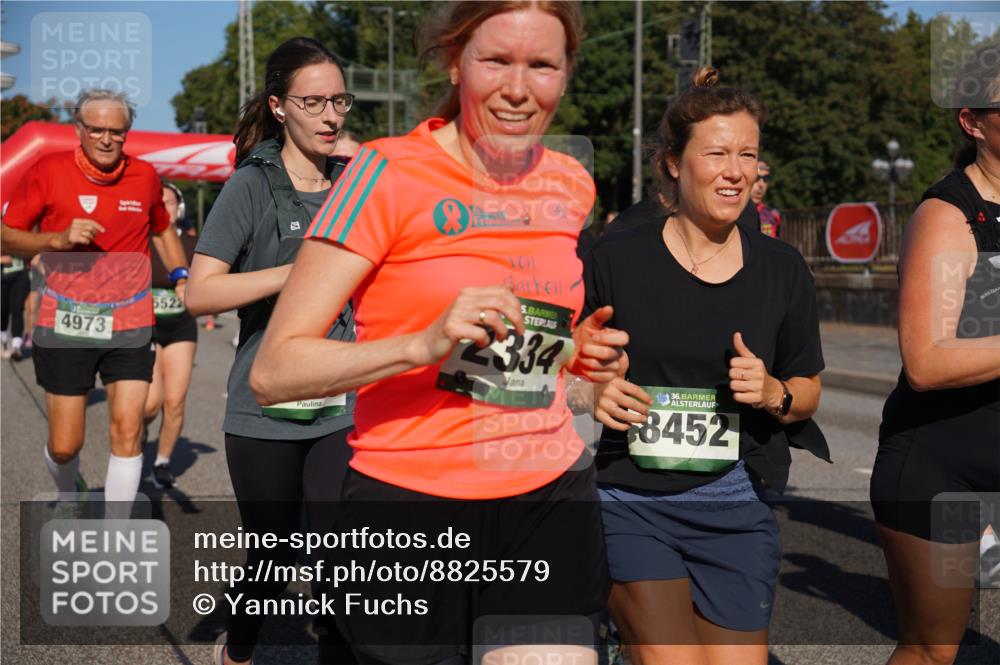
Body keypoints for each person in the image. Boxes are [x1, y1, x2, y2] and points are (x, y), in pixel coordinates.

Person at [250, 3, 627, 664]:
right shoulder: (384, 173)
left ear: (565, 74)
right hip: (410, 503)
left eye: (542, 64)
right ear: (455, 60)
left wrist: (576, 358)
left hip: (546, 491)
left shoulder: (570, 184)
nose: (518, 88)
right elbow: (274, 371)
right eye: (496, 61)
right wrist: (420, 345)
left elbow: (528, 352)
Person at [584, 67, 824, 665]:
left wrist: (772, 391)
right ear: (673, 162)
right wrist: (593, 389)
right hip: (632, 497)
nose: (736, 171)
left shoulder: (781, 269)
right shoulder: (614, 257)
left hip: (736, 501)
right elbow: (561, 359)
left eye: (749, 155)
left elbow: (808, 390)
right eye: (717, 153)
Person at [183, 37, 357, 665]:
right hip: (266, 406)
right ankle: (240, 650)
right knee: (274, 554)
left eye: (340, 100)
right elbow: (200, 294)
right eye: (314, 102)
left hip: (344, 401)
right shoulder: (252, 186)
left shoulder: (356, 183)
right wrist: (298, 274)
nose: (332, 115)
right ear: (280, 107)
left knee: (342, 550)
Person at [0, 89, 190, 516]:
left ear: (127, 133)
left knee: (128, 429)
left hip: (130, 316)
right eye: (97, 129)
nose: (106, 139)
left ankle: (116, 533)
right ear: (79, 130)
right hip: (66, 317)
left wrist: (180, 274)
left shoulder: (144, 176)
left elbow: (161, 230)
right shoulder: (48, 170)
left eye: (116, 132)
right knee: (66, 446)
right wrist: (55, 239)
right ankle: (70, 493)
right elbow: (7, 234)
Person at [869, 48, 1000, 665]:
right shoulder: (951, 215)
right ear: (972, 122)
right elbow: (926, 361)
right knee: (932, 650)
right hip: (948, 478)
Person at [142, 182, 199, 489]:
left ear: (180, 208)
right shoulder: (140, 241)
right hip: (146, 326)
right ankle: (137, 433)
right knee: (151, 404)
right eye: (158, 202)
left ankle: (162, 463)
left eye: (170, 202)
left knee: (175, 401)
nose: (165, 207)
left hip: (180, 326)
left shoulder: (193, 244)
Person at [1, 252, 30, 360]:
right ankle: (4, 343)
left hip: (19, 275)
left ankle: (16, 347)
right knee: (2, 311)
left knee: (17, 309)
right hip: (2, 277)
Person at [752, 160, 782, 238]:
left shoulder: (773, 215)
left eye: (766, 178)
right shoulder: (731, 213)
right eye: (756, 177)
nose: (761, 184)